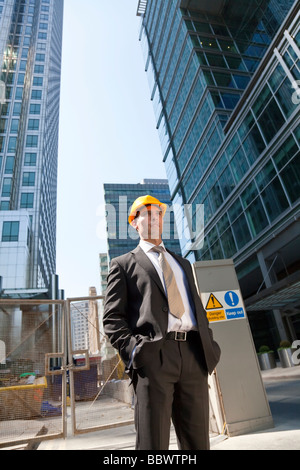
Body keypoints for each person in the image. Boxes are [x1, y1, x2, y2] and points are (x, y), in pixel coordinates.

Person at [103, 195, 221, 450]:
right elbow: (112, 319)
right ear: (134, 222)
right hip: (153, 358)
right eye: (147, 213)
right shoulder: (123, 264)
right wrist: (135, 351)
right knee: (152, 443)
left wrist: (209, 345)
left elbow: (198, 311)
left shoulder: (183, 264)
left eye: (159, 213)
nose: (155, 218)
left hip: (193, 355)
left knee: (198, 443)